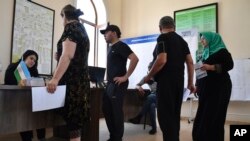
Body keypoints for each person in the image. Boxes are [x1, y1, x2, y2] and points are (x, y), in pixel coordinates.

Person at [144, 16, 195, 141]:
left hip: (166, 84)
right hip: (179, 84)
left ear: (160, 28)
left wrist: (148, 76)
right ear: (174, 27)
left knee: (165, 118)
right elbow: (190, 62)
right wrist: (190, 83)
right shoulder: (182, 41)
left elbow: (161, 60)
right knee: (174, 116)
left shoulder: (162, 37)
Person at [46, 4, 90, 141]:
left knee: (73, 121)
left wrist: (55, 79)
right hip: (81, 81)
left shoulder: (70, 28)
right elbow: (74, 55)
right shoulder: (82, 29)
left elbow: (68, 56)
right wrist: (60, 56)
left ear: (64, 16)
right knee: (75, 123)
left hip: (72, 83)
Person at [192, 32, 234, 141]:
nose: (202, 41)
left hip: (219, 88)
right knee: (203, 114)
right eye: (201, 39)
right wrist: (197, 85)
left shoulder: (222, 51)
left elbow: (230, 65)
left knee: (215, 116)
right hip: (205, 89)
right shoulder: (202, 53)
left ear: (212, 39)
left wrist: (211, 67)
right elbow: (199, 69)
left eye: (204, 39)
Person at [100, 24, 139, 141]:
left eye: (106, 33)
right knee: (106, 108)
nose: (104, 36)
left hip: (118, 84)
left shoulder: (120, 45)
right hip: (110, 83)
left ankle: (117, 138)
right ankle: (113, 136)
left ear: (114, 33)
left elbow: (135, 59)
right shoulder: (111, 48)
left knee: (116, 111)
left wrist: (125, 77)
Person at [4, 50, 46, 141]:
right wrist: (18, 83)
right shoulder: (14, 67)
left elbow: (38, 83)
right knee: (24, 121)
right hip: (18, 100)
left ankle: (42, 138)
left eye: (35, 61)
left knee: (40, 114)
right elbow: (7, 82)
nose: (33, 62)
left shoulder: (34, 70)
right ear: (25, 57)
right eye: (31, 58)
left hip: (32, 99)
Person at [128, 61, 157, 135]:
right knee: (151, 106)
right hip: (153, 97)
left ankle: (139, 116)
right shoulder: (147, 78)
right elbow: (137, 85)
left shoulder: (160, 77)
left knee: (150, 96)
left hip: (161, 97)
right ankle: (154, 128)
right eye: (150, 70)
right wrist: (139, 87)